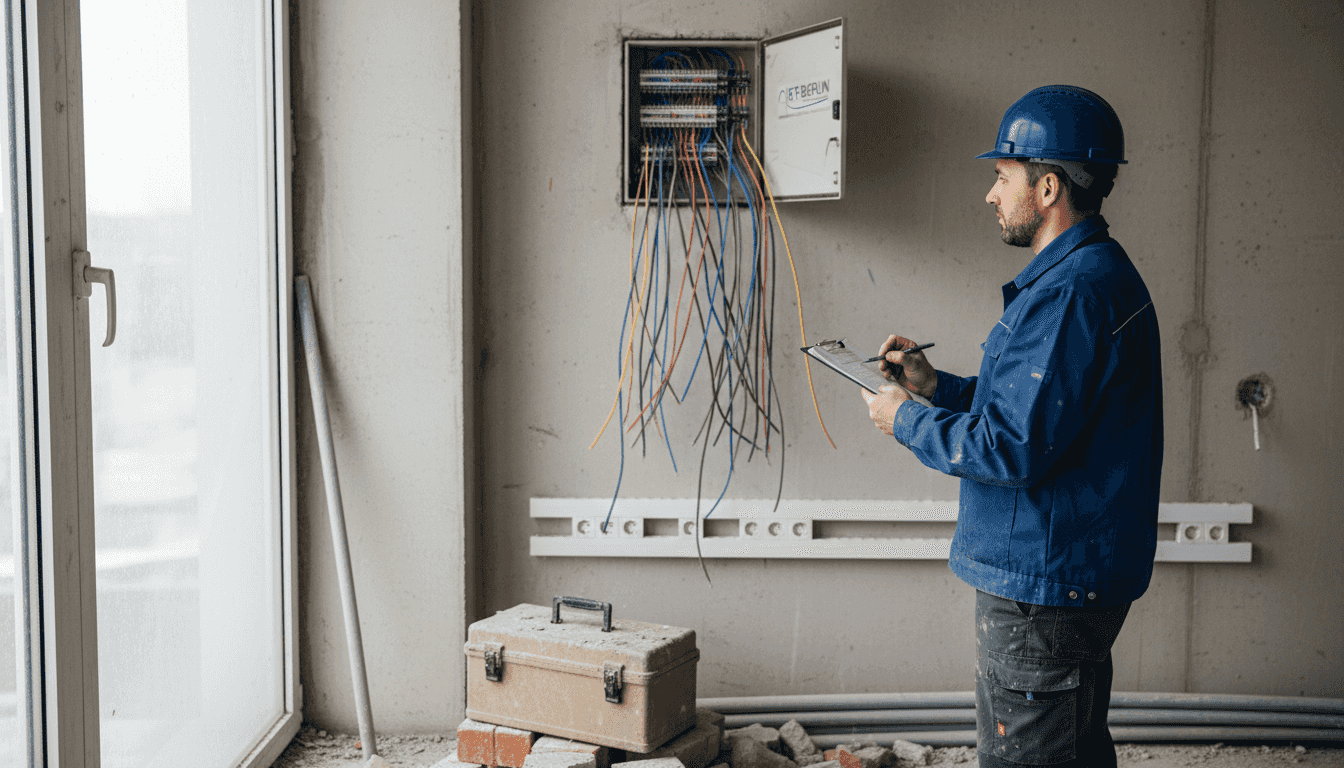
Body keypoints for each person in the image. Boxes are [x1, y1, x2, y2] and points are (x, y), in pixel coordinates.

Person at [859, 85, 1163, 768]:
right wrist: (936, 389)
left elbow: (1012, 447)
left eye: (1003, 176)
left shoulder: (1070, 294)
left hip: (1043, 586)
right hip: (1060, 577)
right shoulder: (1088, 278)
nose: (991, 194)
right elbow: (1044, 416)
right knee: (1070, 747)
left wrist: (905, 420)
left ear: (1048, 186)